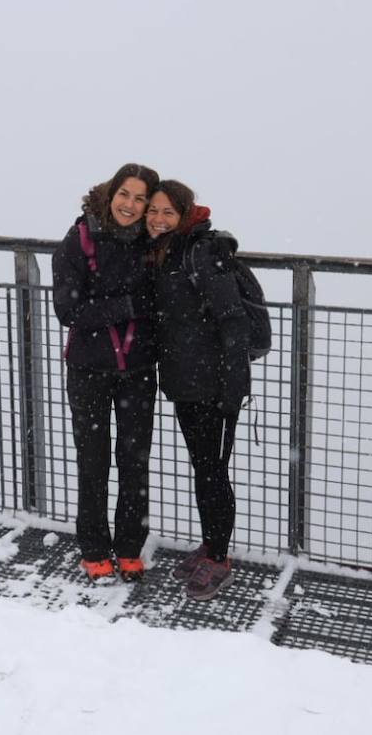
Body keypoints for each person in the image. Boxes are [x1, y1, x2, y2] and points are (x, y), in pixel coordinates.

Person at [51, 163, 161, 584]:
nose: (131, 206)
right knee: (92, 461)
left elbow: (186, 215)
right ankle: (94, 548)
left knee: (135, 462)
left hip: (137, 370)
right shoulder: (79, 240)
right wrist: (126, 307)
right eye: (125, 195)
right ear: (111, 193)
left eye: (141, 199)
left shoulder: (151, 241)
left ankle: (130, 547)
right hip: (88, 370)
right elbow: (69, 311)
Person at [145, 179, 251, 600]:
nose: (157, 218)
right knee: (203, 468)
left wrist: (233, 388)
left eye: (168, 212)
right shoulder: (168, 250)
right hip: (186, 383)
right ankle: (210, 545)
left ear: (184, 213)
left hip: (216, 386)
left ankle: (220, 558)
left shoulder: (201, 252)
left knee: (213, 472)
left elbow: (233, 320)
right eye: (153, 210)